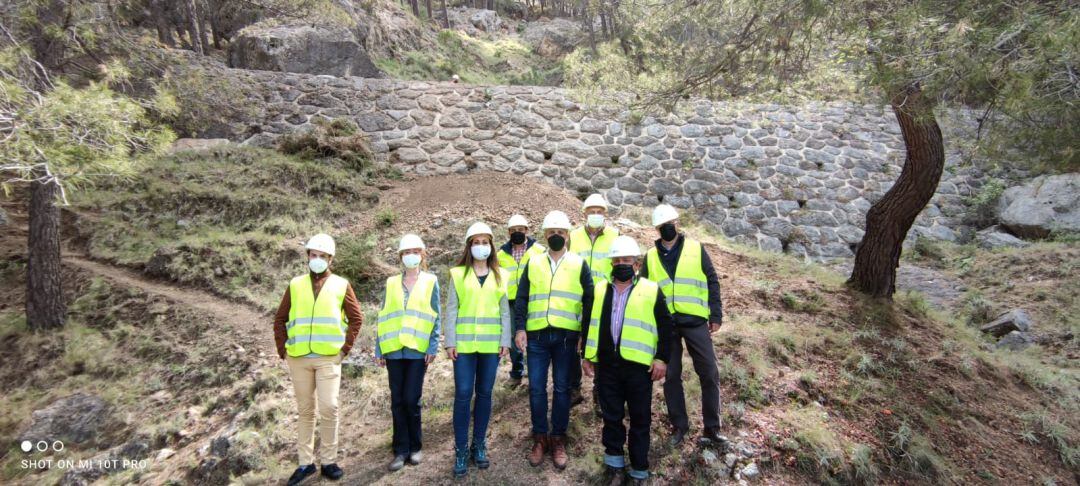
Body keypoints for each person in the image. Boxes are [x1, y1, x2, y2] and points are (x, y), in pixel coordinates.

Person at [581, 235, 674, 485]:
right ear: (611, 263)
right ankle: (614, 465)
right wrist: (587, 357)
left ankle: (639, 470)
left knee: (640, 419)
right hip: (607, 366)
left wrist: (662, 359)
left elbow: (667, 329)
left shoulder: (651, 290)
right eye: (617, 260)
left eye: (627, 259)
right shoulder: (600, 289)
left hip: (639, 369)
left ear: (636, 263)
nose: (621, 263)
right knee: (611, 417)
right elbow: (590, 324)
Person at [274, 233, 363, 485]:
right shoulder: (295, 284)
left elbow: (356, 318)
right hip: (299, 358)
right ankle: (305, 464)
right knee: (305, 410)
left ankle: (329, 461)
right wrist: (283, 349)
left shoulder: (341, 284)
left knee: (329, 407)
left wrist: (344, 349)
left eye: (322, 256)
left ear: (330, 259)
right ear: (308, 256)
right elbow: (280, 318)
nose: (317, 259)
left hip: (328, 358)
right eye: (313, 255)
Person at [512, 210, 594, 470]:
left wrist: (585, 334)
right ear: (545, 235)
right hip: (536, 335)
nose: (556, 236)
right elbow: (522, 298)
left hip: (566, 337)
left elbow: (589, 300)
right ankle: (540, 437)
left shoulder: (579, 263)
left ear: (568, 235)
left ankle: (558, 438)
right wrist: (520, 328)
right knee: (536, 388)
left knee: (562, 388)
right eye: (551, 233)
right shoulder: (533, 262)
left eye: (560, 232)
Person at [641, 204, 725, 447]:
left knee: (709, 372)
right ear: (656, 229)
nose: (667, 228)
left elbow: (712, 280)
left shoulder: (696, 249)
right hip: (666, 326)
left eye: (671, 224)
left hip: (695, 321)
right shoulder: (650, 256)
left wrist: (715, 314)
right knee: (672, 376)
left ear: (677, 223)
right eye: (662, 226)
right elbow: (645, 292)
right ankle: (679, 426)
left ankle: (712, 428)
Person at [445, 222, 513, 477]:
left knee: (484, 394)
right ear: (469, 246)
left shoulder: (501, 275)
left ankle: (479, 445)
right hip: (463, 347)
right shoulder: (458, 274)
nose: (481, 247)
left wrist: (504, 341)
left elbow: (504, 311)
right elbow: (451, 309)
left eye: (485, 242)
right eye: (476, 242)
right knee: (463, 394)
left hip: (490, 347)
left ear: (491, 246)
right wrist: (450, 341)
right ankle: (461, 449)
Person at [375, 234, 441, 471]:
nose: (410, 256)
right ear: (400, 257)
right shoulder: (391, 282)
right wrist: (379, 348)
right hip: (393, 349)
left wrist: (433, 346)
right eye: (406, 252)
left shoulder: (431, 281)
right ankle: (400, 450)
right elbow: (383, 316)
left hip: (416, 349)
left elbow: (436, 315)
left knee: (411, 399)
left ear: (422, 254)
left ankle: (416, 446)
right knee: (397, 401)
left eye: (415, 251)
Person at [568, 193, 620, 410]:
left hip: (603, 298)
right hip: (577, 298)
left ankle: (600, 393)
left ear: (605, 214)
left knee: (602, 345)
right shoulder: (573, 236)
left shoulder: (615, 235)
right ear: (585, 214)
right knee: (573, 343)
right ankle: (574, 389)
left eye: (600, 212)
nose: (596, 215)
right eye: (592, 212)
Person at [496, 214, 546, 387]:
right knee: (512, 338)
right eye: (514, 230)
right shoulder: (500, 254)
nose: (517, 232)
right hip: (509, 301)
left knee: (532, 336)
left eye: (520, 229)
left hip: (531, 299)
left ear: (527, 230)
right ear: (509, 232)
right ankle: (517, 373)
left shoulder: (539, 250)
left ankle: (534, 375)